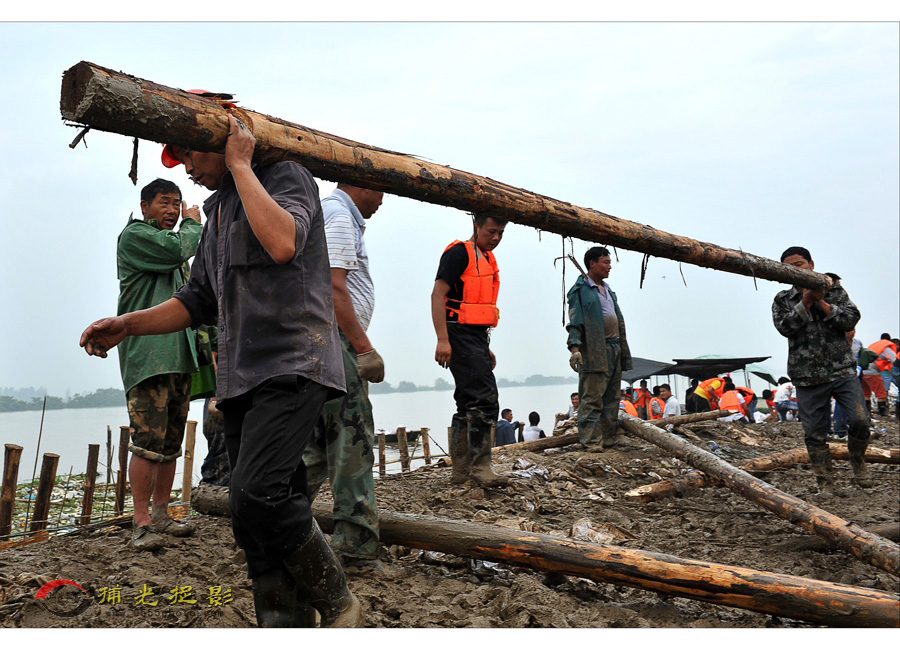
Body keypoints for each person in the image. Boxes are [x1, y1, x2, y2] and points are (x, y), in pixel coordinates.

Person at [82, 115, 360, 627]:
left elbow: (283, 243)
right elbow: (195, 300)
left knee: (257, 492)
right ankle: (285, 622)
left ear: (223, 141)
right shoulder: (217, 215)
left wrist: (240, 164)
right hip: (240, 375)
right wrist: (127, 324)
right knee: (252, 510)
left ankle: (337, 598)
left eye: (190, 153)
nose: (187, 169)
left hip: (292, 361)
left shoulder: (284, 177)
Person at [107, 179, 202, 552]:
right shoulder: (136, 237)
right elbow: (180, 247)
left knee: (170, 442)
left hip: (179, 354)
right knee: (147, 441)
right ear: (145, 206)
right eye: (165, 202)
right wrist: (192, 222)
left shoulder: (174, 256)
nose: (173, 210)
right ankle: (141, 522)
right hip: (148, 356)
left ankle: (162, 514)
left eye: (178, 204)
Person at [303, 183, 385, 570]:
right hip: (337, 342)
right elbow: (334, 287)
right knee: (352, 442)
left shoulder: (330, 213)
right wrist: (363, 347)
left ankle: (274, 527)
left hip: (319, 341)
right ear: (362, 184)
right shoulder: (338, 215)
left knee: (314, 446)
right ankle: (355, 546)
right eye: (382, 190)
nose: (383, 200)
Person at [772, 245, 872, 496]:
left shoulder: (835, 291)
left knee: (860, 421)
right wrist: (805, 302)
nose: (795, 270)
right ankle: (825, 483)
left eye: (799, 264)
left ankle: (858, 461)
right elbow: (785, 328)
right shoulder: (782, 299)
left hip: (842, 370)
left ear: (811, 265)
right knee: (814, 433)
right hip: (807, 376)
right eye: (788, 267)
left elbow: (850, 319)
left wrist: (821, 301)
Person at [432, 214, 509, 487]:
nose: (496, 238)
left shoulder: (485, 258)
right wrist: (443, 339)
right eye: (491, 231)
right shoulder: (459, 253)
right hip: (457, 332)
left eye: (500, 233)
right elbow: (437, 294)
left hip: (475, 336)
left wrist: (485, 348)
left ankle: (462, 471)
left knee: (467, 401)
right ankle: (480, 468)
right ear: (477, 226)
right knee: (484, 399)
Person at [566, 246, 633, 449]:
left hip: (615, 347)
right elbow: (575, 321)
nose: (609, 266)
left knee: (612, 397)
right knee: (592, 398)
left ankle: (609, 437)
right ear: (592, 263)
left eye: (609, 262)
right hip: (595, 349)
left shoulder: (608, 290)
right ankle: (591, 441)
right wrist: (575, 349)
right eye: (606, 262)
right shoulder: (580, 290)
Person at [861, 333, 897, 417]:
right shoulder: (886, 348)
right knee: (881, 393)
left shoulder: (874, 345)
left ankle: (867, 413)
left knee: (866, 393)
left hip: (863, 371)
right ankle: (883, 413)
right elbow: (895, 360)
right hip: (873, 372)